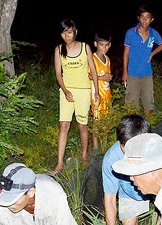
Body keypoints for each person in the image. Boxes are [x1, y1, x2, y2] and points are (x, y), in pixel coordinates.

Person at [102, 114, 162, 225]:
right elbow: (110, 199)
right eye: (125, 148)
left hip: (157, 189)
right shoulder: (111, 159)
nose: (129, 154)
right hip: (130, 191)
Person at [52, 19, 100, 175]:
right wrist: (65, 91)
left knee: (82, 126)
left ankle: (85, 156)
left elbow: (93, 70)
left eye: (70, 31)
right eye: (64, 32)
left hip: (83, 90)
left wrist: (96, 91)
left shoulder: (85, 47)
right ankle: (59, 164)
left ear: (76, 32)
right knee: (64, 126)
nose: (67, 35)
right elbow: (58, 74)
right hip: (66, 91)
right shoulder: (58, 50)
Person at [122, 4, 162, 118]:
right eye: (142, 17)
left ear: (152, 19)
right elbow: (126, 53)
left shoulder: (153, 34)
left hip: (147, 74)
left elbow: (161, 45)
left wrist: (152, 54)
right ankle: (133, 128)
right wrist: (124, 72)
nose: (144, 20)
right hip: (132, 74)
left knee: (148, 103)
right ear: (138, 18)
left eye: (147, 17)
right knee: (132, 104)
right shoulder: (131, 33)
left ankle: (146, 124)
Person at [88, 29, 113, 153]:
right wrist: (104, 77)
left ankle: (104, 141)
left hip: (106, 93)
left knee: (105, 118)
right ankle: (95, 146)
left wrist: (108, 78)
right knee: (96, 119)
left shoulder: (107, 59)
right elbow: (89, 75)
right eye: (101, 44)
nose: (104, 47)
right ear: (95, 44)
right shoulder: (92, 58)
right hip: (96, 94)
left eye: (107, 44)